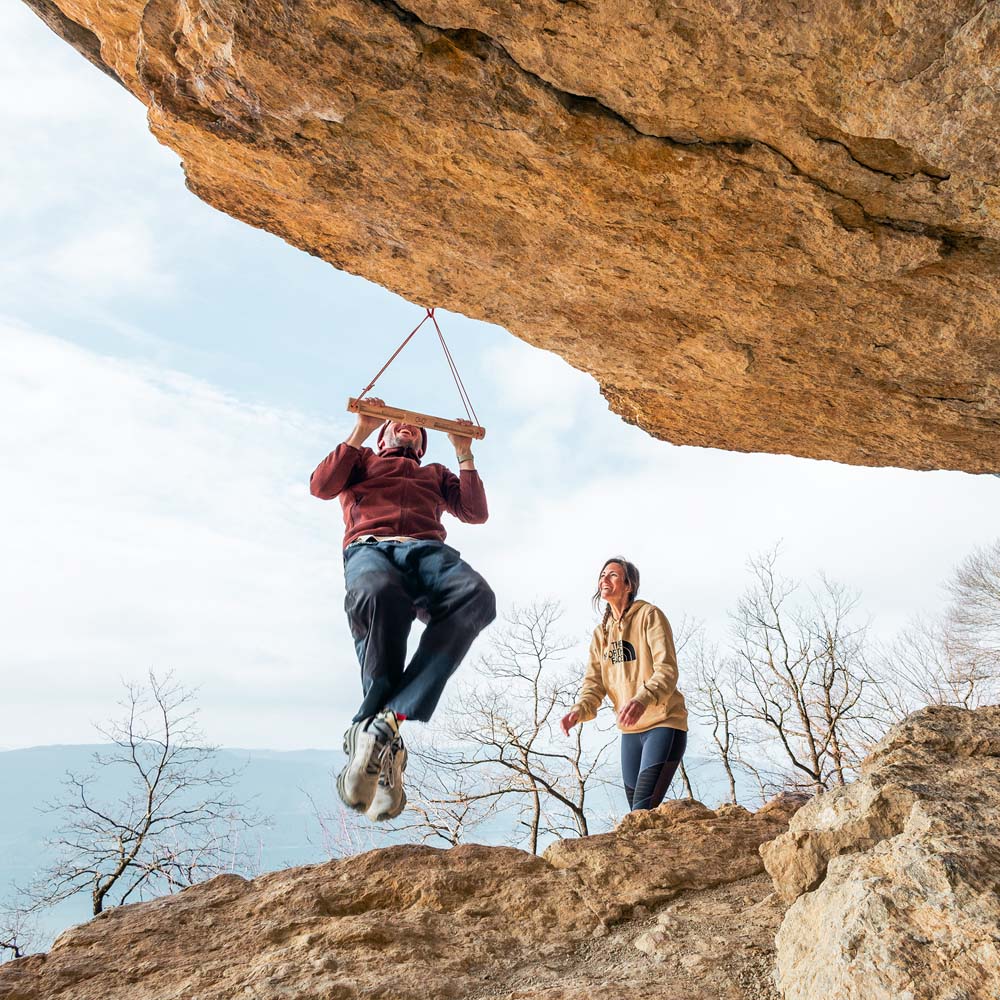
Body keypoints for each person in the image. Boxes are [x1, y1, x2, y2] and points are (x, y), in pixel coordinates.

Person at [310, 397, 496, 821]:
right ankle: (384, 744)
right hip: (370, 549)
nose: (405, 425)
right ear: (383, 436)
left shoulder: (436, 473)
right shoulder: (362, 461)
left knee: (476, 596)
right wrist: (360, 430)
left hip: (427, 553)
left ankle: (380, 725)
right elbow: (321, 486)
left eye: (415, 427)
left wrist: (464, 452)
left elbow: (475, 512)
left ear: (423, 445)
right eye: (395, 423)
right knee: (378, 596)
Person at [560, 557, 688, 811]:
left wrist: (642, 699)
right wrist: (578, 711)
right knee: (637, 815)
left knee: (641, 809)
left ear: (629, 585)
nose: (604, 580)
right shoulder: (601, 634)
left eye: (613, 575)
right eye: (602, 575)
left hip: (663, 724)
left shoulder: (649, 616)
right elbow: (594, 684)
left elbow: (667, 670)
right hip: (630, 733)